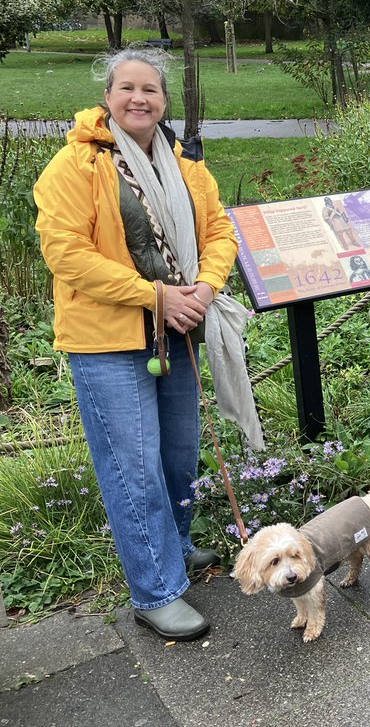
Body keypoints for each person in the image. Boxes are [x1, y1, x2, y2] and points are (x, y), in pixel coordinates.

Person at [34, 47, 241, 640]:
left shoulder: (184, 165)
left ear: (165, 99)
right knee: (135, 470)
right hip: (108, 342)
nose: (138, 99)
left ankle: (175, 547)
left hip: (176, 331)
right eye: (126, 88)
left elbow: (219, 230)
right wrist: (153, 295)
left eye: (149, 89)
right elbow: (67, 255)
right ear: (108, 97)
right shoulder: (75, 166)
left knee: (178, 458)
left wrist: (205, 286)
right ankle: (155, 590)